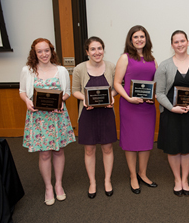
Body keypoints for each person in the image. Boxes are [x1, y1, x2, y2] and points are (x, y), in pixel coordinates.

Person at [19, 38, 75, 206]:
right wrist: (27, 102)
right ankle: (48, 187)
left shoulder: (61, 70)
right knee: (44, 153)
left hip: (57, 116)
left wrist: (60, 101)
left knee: (58, 151)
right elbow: (22, 92)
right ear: (34, 53)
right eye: (39, 51)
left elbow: (67, 92)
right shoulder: (27, 70)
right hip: (38, 118)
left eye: (46, 50)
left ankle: (58, 184)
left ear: (52, 51)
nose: (44, 54)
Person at [154, 30, 189, 197]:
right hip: (171, 113)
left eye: (182, 41)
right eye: (176, 42)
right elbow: (159, 92)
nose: (180, 44)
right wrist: (171, 108)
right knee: (174, 148)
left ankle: (185, 179)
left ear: (188, 42)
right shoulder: (164, 65)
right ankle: (177, 179)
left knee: (188, 147)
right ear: (172, 45)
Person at [114, 25, 158, 194]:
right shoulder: (125, 58)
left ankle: (143, 173)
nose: (139, 40)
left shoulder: (152, 59)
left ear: (146, 39)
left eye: (142, 36)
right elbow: (117, 82)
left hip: (147, 106)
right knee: (131, 142)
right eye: (136, 37)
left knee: (146, 141)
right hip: (129, 105)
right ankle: (133, 175)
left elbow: (156, 81)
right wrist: (128, 98)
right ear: (130, 40)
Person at [72, 36, 117, 199]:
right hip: (87, 113)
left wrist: (111, 96)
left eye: (99, 48)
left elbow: (116, 87)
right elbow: (74, 90)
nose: (97, 52)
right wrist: (85, 99)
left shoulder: (112, 66)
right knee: (89, 149)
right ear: (87, 52)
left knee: (107, 148)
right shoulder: (79, 69)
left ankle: (107, 180)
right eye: (93, 49)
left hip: (106, 113)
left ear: (103, 50)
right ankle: (92, 182)